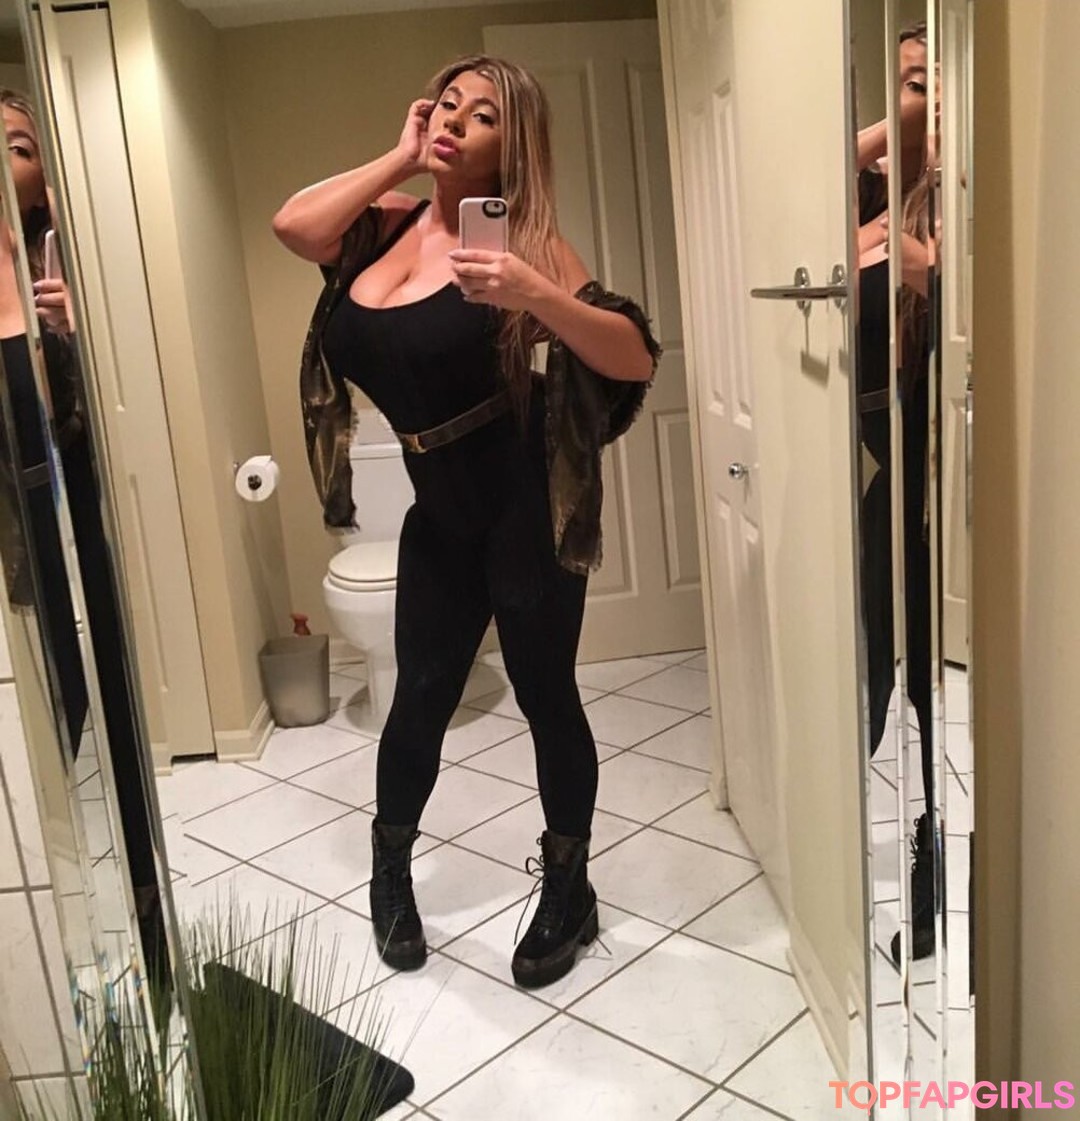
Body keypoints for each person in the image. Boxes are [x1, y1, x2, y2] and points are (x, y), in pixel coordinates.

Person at [273, 56, 658, 989]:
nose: (453, 121)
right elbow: (293, 225)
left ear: (511, 146)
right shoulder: (380, 227)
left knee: (546, 696)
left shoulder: (522, 243)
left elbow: (634, 358)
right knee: (419, 697)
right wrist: (400, 157)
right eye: (447, 103)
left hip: (522, 503)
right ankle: (390, 875)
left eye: (481, 116)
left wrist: (534, 295)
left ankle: (569, 887)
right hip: (437, 511)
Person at [0, 88, 171, 1003]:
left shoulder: (66, 263)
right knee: (38, 721)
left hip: (78, 523)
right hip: (12, 546)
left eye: (17, 145)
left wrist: (73, 330)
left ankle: (135, 921)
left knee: (93, 696)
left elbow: (113, 409)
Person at [854, 26, 937, 963]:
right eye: (913, 82)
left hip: (946, 469)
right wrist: (899, 116)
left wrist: (933, 269)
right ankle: (904, 836)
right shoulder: (874, 200)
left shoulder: (969, 203)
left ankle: (935, 847)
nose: (928, 99)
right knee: (882, 659)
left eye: (941, 82)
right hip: (877, 467)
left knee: (939, 678)